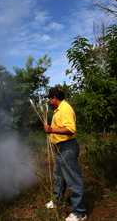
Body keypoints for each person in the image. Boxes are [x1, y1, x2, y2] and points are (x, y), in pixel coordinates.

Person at [44, 87, 87, 221]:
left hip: (67, 148)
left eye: (50, 99)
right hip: (60, 148)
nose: (50, 102)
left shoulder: (65, 108)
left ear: (54, 98)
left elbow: (70, 129)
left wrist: (51, 129)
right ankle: (57, 201)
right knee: (59, 177)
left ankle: (80, 213)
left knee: (73, 179)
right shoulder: (58, 110)